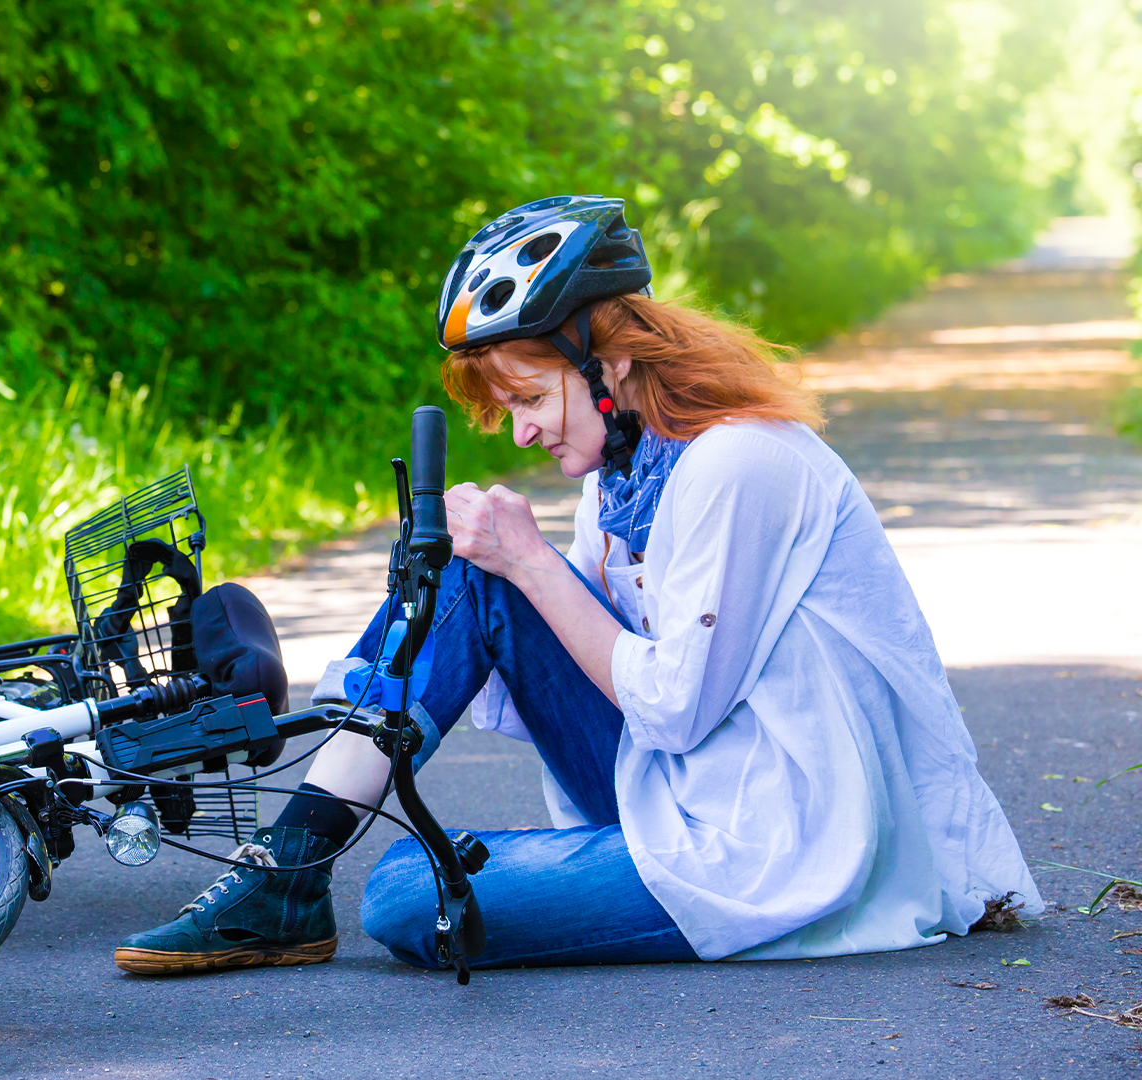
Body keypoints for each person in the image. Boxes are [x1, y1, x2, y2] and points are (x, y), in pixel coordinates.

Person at [112, 194, 1040, 975]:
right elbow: (565, 655)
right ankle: (287, 870)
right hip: (682, 785)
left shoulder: (742, 466)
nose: (518, 431)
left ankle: (291, 877)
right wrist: (490, 569)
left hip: (775, 838)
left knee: (405, 892)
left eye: (528, 398)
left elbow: (673, 707)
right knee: (476, 575)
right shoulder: (620, 474)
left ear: (613, 361)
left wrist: (532, 561)